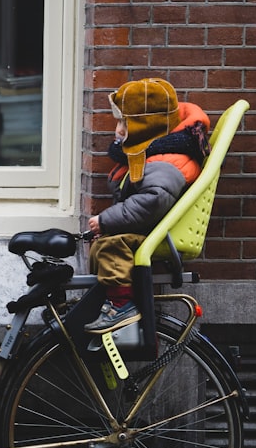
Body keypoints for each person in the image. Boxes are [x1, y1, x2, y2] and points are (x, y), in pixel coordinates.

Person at [85, 78, 211, 334]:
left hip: (152, 229)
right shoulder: (156, 154)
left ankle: (121, 306)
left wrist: (107, 220)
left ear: (146, 126)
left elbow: (152, 201)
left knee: (112, 245)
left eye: (125, 123)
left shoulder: (164, 162)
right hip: (148, 226)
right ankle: (110, 300)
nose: (118, 130)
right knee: (102, 246)